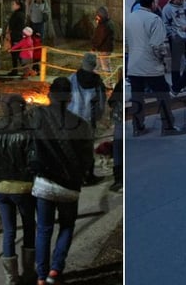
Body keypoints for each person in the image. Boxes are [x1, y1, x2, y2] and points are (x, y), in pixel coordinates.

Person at [29, 77, 93, 285]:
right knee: (66, 226)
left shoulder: (37, 116)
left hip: (44, 183)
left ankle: (40, 276)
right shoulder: (81, 125)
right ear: (70, 98)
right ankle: (56, 269)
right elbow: (87, 158)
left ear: (49, 95)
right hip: (69, 186)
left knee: (44, 230)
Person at [0, 94, 36, 285]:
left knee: (9, 231)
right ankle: (29, 272)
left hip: (0, 188)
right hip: (23, 188)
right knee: (29, 227)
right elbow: (33, 161)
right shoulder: (29, 131)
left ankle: (10, 279)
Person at [125, 0, 186, 136]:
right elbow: (157, 45)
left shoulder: (130, 17)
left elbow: (127, 43)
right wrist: (162, 58)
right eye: (156, 0)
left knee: (137, 97)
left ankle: (137, 127)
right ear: (152, 4)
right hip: (151, 65)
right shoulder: (154, 19)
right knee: (163, 95)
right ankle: (168, 126)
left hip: (134, 65)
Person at [68, 53, 107, 185]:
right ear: (94, 64)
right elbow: (101, 101)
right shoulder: (97, 81)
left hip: (73, 117)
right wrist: (99, 116)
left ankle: (75, 176)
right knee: (87, 148)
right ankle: (88, 176)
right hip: (88, 119)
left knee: (74, 147)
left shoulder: (72, 78)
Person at [161, 0, 186, 94]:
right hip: (176, 38)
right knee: (176, 63)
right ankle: (176, 84)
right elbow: (165, 23)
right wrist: (172, 34)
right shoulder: (167, 8)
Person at [107, 80, 124, 192]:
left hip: (119, 119)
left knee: (118, 149)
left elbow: (111, 101)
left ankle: (119, 180)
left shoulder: (121, 83)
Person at [91, 6, 115, 74]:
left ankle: (109, 84)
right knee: (96, 66)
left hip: (104, 49)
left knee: (105, 67)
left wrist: (94, 47)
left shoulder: (104, 25)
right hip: (103, 49)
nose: (97, 17)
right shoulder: (105, 23)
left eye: (98, 15)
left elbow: (100, 38)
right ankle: (95, 82)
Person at [6, 0, 27, 73]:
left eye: (14, 4)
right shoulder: (18, 14)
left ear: (18, 6)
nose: (12, 6)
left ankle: (22, 69)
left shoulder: (18, 14)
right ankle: (18, 69)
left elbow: (13, 24)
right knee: (16, 53)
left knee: (16, 53)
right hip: (16, 35)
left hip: (17, 35)